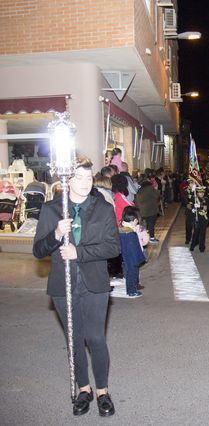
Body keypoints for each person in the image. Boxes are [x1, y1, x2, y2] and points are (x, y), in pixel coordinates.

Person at [33, 156, 120, 417]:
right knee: (74, 340)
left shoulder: (102, 207)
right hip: (63, 285)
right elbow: (38, 250)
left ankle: (103, 391)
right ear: (67, 180)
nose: (85, 183)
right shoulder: (51, 210)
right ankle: (84, 389)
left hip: (94, 284)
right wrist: (56, 235)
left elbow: (112, 247)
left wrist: (78, 252)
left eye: (88, 177)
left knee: (95, 338)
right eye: (78, 177)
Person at [119, 206, 147, 298]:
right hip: (132, 258)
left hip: (125, 256)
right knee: (132, 273)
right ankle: (131, 291)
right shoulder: (130, 233)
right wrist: (139, 259)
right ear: (134, 221)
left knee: (129, 273)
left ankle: (130, 289)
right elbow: (134, 249)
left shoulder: (121, 229)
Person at [134, 177, 160, 244]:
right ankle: (151, 238)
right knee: (151, 224)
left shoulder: (139, 189)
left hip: (141, 210)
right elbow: (157, 195)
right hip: (151, 209)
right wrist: (156, 190)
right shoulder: (150, 187)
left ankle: (143, 238)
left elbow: (136, 200)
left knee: (143, 225)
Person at [189, 187, 209, 252]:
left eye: (203, 192)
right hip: (197, 218)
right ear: (197, 193)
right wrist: (193, 209)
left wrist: (204, 207)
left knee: (203, 233)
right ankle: (192, 245)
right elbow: (189, 206)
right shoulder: (194, 199)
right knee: (196, 233)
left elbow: (208, 207)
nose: (202, 194)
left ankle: (202, 247)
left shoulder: (206, 199)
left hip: (204, 218)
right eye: (200, 192)